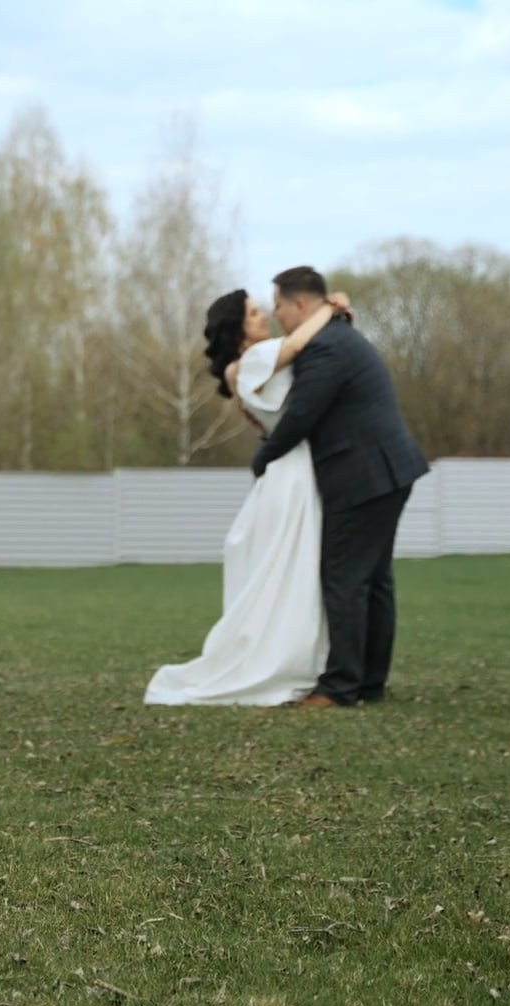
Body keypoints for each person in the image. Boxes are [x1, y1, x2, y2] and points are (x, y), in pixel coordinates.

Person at [143, 289, 347, 706]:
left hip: (289, 467)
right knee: (295, 565)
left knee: (293, 566)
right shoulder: (256, 358)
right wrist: (328, 308)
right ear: (238, 329)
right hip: (293, 472)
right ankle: (290, 659)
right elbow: (297, 345)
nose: (264, 316)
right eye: (253, 313)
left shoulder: (243, 368)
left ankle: (304, 656)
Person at [252, 266, 429, 708]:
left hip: (364, 476)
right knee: (372, 581)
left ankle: (340, 687)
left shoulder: (326, 348)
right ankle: (368, 683)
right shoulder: (338, 336)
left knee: (345, 579)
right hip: (387, 471)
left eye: (278, 307)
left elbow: (302, 413)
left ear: (299, 303)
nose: (276, 317)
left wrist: (264, 457)